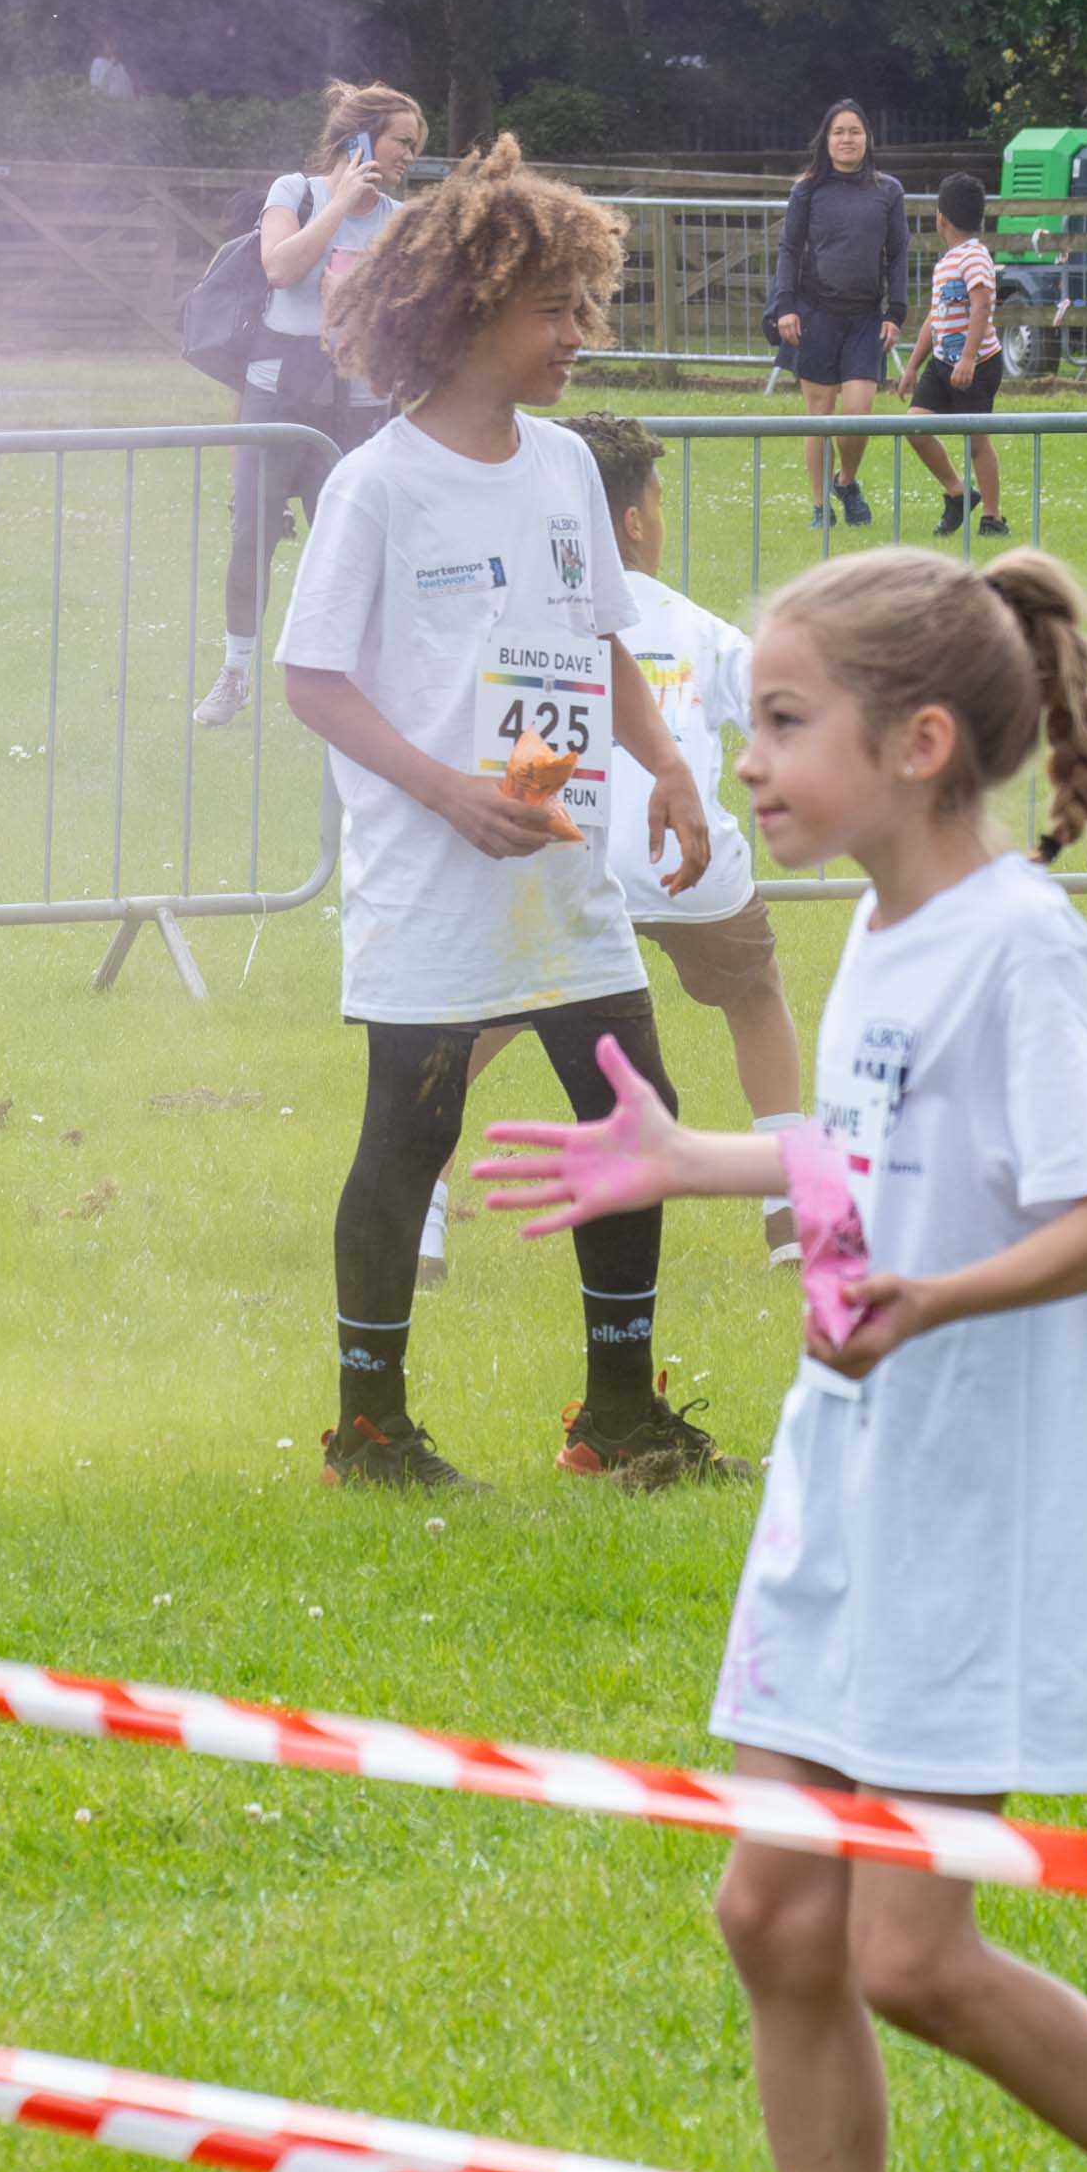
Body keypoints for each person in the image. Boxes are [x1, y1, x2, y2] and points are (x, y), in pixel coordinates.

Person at [469, 544, 1087, 2172]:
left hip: (972, 1507)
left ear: (922, 741)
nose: (750, 765)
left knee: (913, 1957)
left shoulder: (1022, 947)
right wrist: (694, 1159)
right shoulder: (881, 924)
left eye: (784, 724)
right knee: (774, 1914)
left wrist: (932, 1305)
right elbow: (860, 1161)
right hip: (846, 1486)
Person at [271, 139, 729, 1490]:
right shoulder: (380, 482)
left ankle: (618, 1416)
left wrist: (671, 772)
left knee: (634, 1112)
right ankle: (371, 1427)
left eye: (583, 306)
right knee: (410, 1133)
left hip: (563, 867)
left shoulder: (567, 472)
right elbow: (310, 678)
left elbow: (602, 647)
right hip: (432, 866)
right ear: (471, 315)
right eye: (557, 311)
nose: (580, 335)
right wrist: (449, 791)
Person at [433, 416, 816, 1286]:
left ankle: (419, 1215)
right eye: (657, 499)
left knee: (474, 1027)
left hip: (565, 859)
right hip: (684, 866)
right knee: (756, 996)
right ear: (635, 523)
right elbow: (780, 711)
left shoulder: (523, 622)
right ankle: (789, 1213)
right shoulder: (694, 626)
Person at [197, 84, 421, 730]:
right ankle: (236, 674)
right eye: (401, 141)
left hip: (358, 399)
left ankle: (350, 688)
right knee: (252, 535)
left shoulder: (399, 219)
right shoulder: (294, 191)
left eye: (415, 145)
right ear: (360, 139)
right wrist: (342, 203)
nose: (409, 154)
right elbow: (279, 269)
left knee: (351, 546)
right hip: (278, 392)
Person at [769, 104, 918, 531]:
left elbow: (898, 253)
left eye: (855, 131)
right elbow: (789, 250)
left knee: (858, 412)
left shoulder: (888, 191)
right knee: (820, 412)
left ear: (867, 138)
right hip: (815, 314)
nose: (847, 139)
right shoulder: (808, 190)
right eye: (839, 132)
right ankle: (820, 507)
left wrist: (897, 311)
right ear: (826, 140)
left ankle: (846, 481)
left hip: (866, 317)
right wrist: (786, 306)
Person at [898, 176, 1011, 540]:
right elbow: (936, 319)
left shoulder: (975, 256)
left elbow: (981, 306)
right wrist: (913, 366)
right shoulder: (947, 262)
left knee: (976, 441)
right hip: (943, 362)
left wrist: (967, 358)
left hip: (976, 364)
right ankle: (959, 494)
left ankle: (993, 518)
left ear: (940, 217)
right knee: (914, 426)